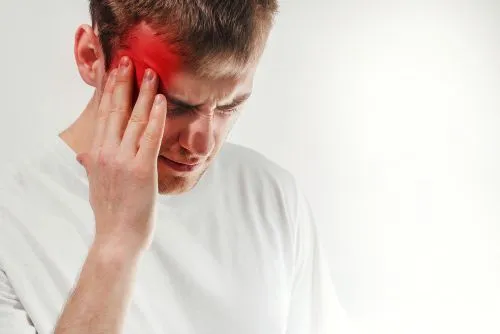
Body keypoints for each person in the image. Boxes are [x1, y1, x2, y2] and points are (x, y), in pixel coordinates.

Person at [0, 1, 347, 333]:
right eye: (175, 105)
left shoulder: (270, 196)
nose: (203, 144)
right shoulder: (12, 224)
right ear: (91, 57)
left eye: (229, 107)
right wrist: (116, 245)